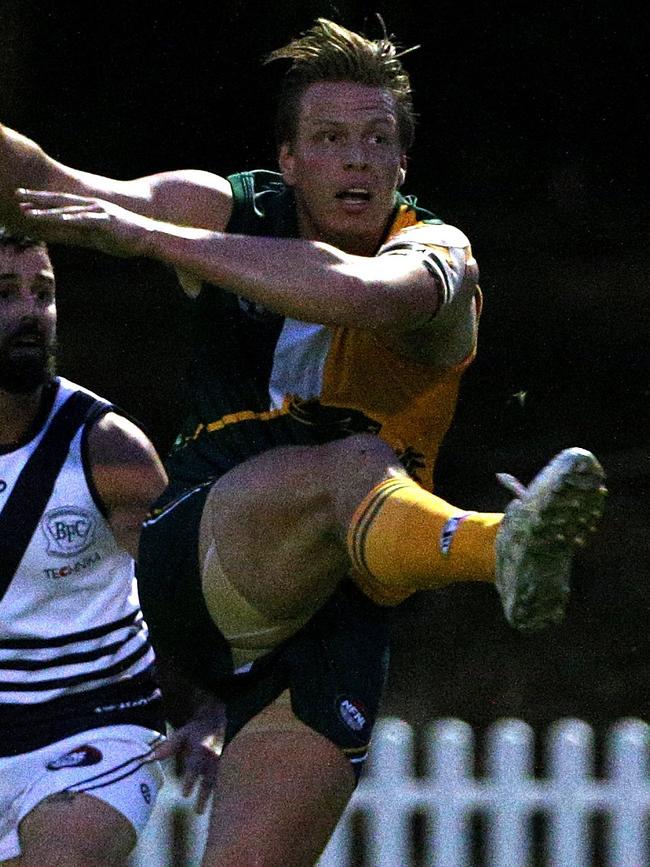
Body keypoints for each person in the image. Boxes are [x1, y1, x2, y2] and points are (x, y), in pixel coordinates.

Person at [0, 19, 606, 866]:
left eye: (377, 140)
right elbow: (46, 186)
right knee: (355, 465)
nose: (356, 159)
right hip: (205, 556)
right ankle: (499, 544)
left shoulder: (438, 260)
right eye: (329, 139)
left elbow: (358, 294)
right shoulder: (226, 207)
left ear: (401, 164)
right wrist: (135, 222)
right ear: (288, 160)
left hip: (333, 618)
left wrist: (164, 244)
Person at [0, 228, 171, 866]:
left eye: (42, 293)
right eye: (4, 293)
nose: (28, 312)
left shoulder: (109, 451)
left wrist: (214, 706)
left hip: (98, 720)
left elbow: (192, 590)